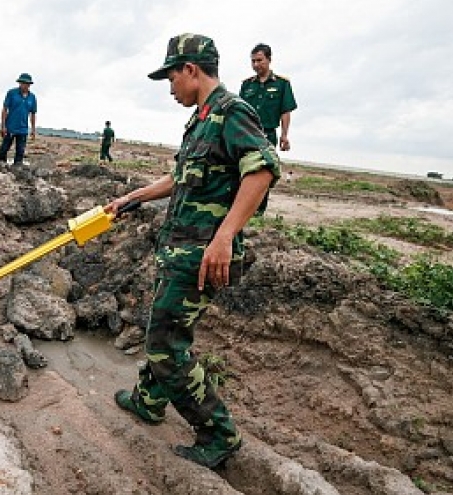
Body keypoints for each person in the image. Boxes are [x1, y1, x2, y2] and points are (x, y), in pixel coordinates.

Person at [105, 33, 280, 469]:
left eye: (171, 77)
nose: (169, 88)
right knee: (161, 328)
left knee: (167, 344)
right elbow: (179, 177)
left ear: (191, 70)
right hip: (180, 250)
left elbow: (262, 171)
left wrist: (224, 237)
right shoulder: (201, 120)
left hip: (203, 256)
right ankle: (148, 400)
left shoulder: (232, 111)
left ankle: (219, 434)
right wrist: (133, 199)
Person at [239, 43, 297, 152]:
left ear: (269, 59)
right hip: (246, 134)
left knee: (265, 167)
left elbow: (285, 111)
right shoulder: (246, 85)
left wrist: (284, 135)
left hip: (267, 136)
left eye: (259, 60)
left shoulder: (282, 84)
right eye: (253, 61)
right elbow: (239, 112)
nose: (256, 64)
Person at [0, 73, 37, 166]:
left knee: (20, 151)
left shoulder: (32, 97)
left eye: (27, 84)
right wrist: (3, 126)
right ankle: (1, 167)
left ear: (29, 85)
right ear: (19, 83)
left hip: (23, 129)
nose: (24, 85)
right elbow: (4, 109)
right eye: (22, 83)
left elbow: (33, 114)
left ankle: (17, 170)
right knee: (4, 149)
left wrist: (33, 129)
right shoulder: (12, 93)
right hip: (10, 127)